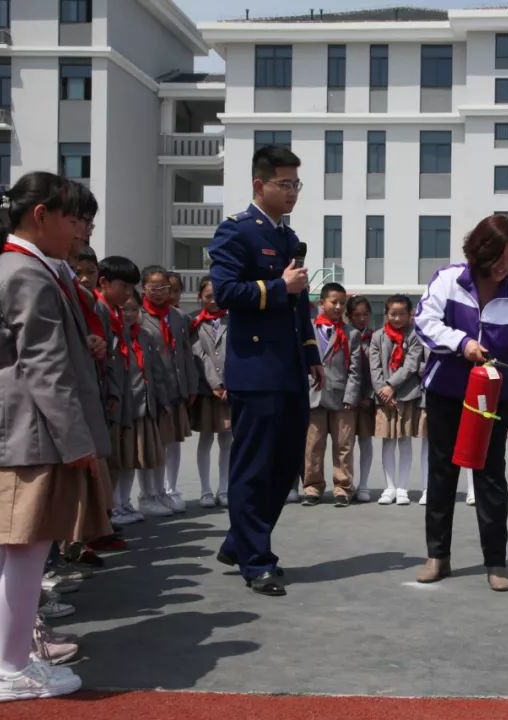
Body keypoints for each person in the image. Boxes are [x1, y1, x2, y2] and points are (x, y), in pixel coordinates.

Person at [0, 172, 111, 701]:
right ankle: (10, 666)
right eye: (74, 219)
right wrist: (79, 443)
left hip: (14, 433)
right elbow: (46, 368)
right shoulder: (27, 272)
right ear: (40, 216)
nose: (82, 231)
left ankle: (8, 660)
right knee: (23, 553)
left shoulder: (22, 265)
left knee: (12, 553)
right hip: (28, 436)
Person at [207, 144, 322, 597]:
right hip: (255, 370)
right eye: (285, 184)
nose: (293, 192)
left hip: (289, 367)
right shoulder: (236, 232)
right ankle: (257, 561)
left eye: (297, 184)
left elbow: (299, 307)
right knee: (254, 467)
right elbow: (225, 293)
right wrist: (279, 286)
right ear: (260, 184)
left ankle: (239, 540)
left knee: (288, 463)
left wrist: (311, 353)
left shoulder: (288, 238)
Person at [414, 214, 508, 592]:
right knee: (442, 472)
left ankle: (496, 561)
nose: (506, 266)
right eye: (500, 257)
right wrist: (462, 343)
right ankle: (437, 555)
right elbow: (425, 322)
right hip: (447, 392)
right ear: (481, 251)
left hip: (494, 395)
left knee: (490, 476)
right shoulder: (448, 279)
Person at [139, 265, 197, 514]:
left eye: (164, 287)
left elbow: (186, 353)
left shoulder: (178, 316)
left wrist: (191, 385)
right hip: (152, 393)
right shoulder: (139, 317)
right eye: (154, 287)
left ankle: (167, 490)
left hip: (176, 390)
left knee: (173, 443)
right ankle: (147, 494)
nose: (160, 292)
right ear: (144, 288)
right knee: (152, 446)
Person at [111, 288, 170, 522]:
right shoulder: (114, 335)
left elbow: (156, 370)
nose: (130, 314)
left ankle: (125, 503)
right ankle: (114, 505)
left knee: (134, 458)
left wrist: (162, 400)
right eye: (125, 309)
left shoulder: (144, 336)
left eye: (134, 309)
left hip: (143, 405)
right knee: (119, 459)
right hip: (123, 407)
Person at [302, 282, 364, 507]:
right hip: (314, 396)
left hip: (342, 398)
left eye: (342, 303)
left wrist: (351, 396)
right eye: (333, 302)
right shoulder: (308, 329)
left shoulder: (351, 333)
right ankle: (313, 486)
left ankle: (343, 487)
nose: (338, 307)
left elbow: (355, 370)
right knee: (313, 445)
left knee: (344, 445)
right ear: (322, 303)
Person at [95, 257, 144, 525]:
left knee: (114, 462)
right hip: (104, 398)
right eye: (124, 286)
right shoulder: (98, 310)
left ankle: (106, 518)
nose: (128, 294)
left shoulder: (113, 313)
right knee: (105, 463)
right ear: (103, 282)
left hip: (116, 397)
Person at [370, 294, 425, 506]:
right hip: (384, 397)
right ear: (386, 314)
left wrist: (391, 386)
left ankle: (402, 488)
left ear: (410, 314)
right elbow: (374, 367)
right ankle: (389, 487)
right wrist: (383, 391)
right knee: (387, 441)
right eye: (393, 313)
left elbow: (411, 365)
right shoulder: (378, 336)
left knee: (404, 441)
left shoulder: (415, 336)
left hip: (406, 394)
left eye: (402, 313)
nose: (397, 318)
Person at [191, 276, 232, 509]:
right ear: (200, 297)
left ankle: (224, 488)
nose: (214, 300)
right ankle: (205, 490)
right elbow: (200, 356)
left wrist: (229, 384)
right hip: (207, 391)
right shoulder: (194, 323)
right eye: (208, 296)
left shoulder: (233, 320)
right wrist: (215, 384)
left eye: (217, 295)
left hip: (230, 390)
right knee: (205, 438)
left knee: (228, 439)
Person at [347, 295, 376, 502]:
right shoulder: (344, 335)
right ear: (349, 316)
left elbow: (377, 370)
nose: (362, 319)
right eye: (357, 315)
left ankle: (364, 484)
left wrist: (369, 396)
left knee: (365, 440)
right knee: (344, 444)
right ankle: (346, 484)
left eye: (365, 314)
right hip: (345, 398)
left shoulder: (374, 338)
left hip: (366, 398)